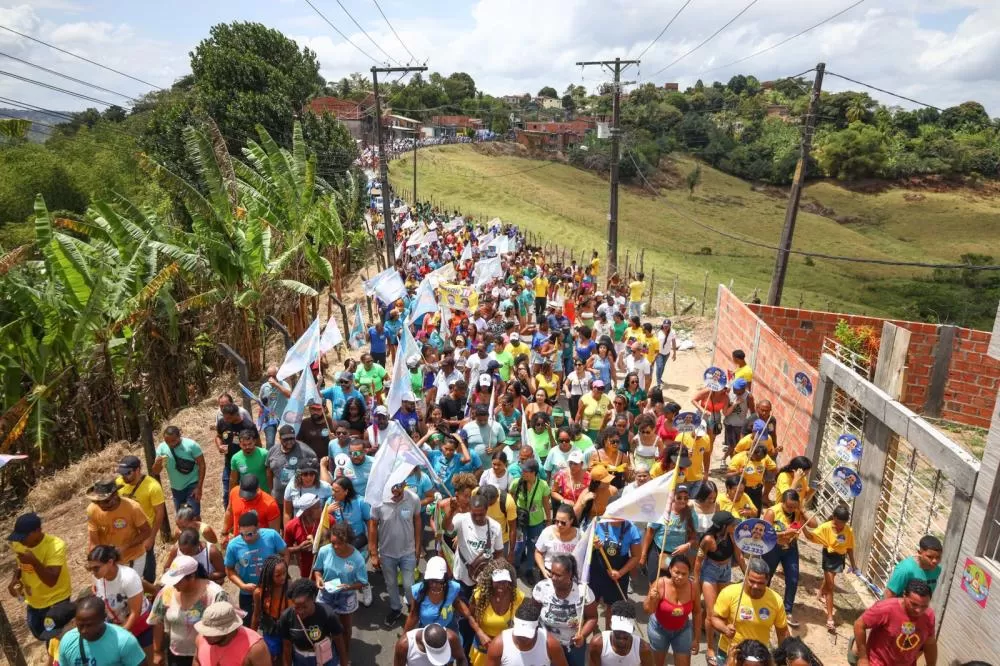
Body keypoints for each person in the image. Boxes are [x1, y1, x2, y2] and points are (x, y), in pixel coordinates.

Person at [149, 555, 230, 666]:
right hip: (176, 655)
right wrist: (157, 651)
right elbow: (158, 621)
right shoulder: (167, 592)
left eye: (178, 581)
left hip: (208, 656)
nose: (174, 584)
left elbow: (225, 629)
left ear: (192, 576)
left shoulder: (215, 594)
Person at [6, 512, 72, 642]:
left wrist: (34, 562)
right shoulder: (18, 544)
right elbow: (20, 564)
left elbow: (51, 581)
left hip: (55, 601)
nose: (20, 541)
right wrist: (15, 579)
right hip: (34, 601)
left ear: (37, 531)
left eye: (24, 537)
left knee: (61, 638)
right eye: (18, 537)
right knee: (40, 634)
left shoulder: (55, 546)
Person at [711, 558, 789, 666]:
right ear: (746, 576)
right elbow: (714, 618)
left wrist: (783, 659)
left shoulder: (776, 601)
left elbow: (782, 633)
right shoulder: (729, 593)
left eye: (760, 583)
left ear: (767, 580)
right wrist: (725, 629)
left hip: (758, 658)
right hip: (730, 654)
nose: (755, 586)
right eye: (752, 581)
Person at [370, 478, 423, 627]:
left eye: (399, 486)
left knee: (408, 584)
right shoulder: (378, 501)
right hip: (386, 553)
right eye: (392, 486)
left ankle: (413, 608)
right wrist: (373, 553)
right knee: (391, 584)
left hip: (408, 552)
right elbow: (373, 525)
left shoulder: (413, 499)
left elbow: (417, 521)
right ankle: (395, 608)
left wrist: (418, 547)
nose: (395, 490)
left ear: (404, 484)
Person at [695, 512, 744, 665]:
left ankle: (722, 641)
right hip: (710, 572)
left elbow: (739, 556)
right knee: (712, 613)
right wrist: (695, 584)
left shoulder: (733, 535)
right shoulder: (708, 540)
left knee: (723, 610)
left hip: (726, 571)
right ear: (724, 527)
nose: (734, 526)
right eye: (732, 524)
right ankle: (710, 648)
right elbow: (698, 562)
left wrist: (748, 575)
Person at [762, 489, 817, 627]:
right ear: (782, 502)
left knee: (793, 579)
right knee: (766, 576)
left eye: (794, 506)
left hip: (791, 548)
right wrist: (784, 533)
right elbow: (765, 534)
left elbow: (814, 524)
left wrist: (802, 510)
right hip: (773, 548)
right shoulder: (772, 512)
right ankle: (762, 602)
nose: (791, 509)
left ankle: (787, 610)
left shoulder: (798, 511)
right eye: (789, 506)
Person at [851, 579, 936, 666]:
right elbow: (859, 624)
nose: (919, 610)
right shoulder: (886, 608)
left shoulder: (929, 616)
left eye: (924, 606)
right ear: (904, 595)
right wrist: (863, 658)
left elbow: (930, 643)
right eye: (914, 604)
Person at [533, 553, 598, 666]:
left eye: (558, 575)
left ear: (570, 575)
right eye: (552, 573)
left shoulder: (583, 592)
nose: (553, 578)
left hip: (574, 647)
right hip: (546, 645)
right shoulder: (542, 588)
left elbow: (592, 617)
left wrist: (582, 635)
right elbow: (533, 614)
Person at [313, 522, 367, 656]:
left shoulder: (357, 559)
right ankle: (324, 654)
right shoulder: (324, 551)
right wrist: (318, 578)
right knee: (322, 625)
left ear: (348, 541)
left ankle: (344, 654)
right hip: (326, 593)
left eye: (340, 543)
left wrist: (349, 587)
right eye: (333, 543)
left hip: (346, 596)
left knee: (345, 628)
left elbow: (362, 582)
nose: (336, 547)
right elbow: (317, 569)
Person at [87, 545, 153, 654]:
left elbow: (135, 613)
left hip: (140, 626)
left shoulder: (128, 578)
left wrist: (119, 636)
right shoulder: (98, 577)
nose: (93, 572)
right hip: (117, 624)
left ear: (110, 562)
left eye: (96, 568)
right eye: (90, 569)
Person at [224, 512, 287, 621]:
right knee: (248, 623)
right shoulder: (233, 545)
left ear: (258, 527)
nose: (246, 538)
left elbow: (285, 553)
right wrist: (243, 585)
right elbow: (229, 570)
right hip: (248, 593)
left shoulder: (272, 536)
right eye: (242, 534)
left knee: (276, 621)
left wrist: (281, 573)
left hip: (272, 590)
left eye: (250, 534)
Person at [115, 455, 167, 584]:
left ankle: (149, 587)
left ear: (138, 470)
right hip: (124, 534)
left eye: (127, 473)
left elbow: (159, 513)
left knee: (147, 568)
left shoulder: (152, 487)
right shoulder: (118, 484)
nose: (124, 477)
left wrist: (151, 537)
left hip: (144, 534)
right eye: (122, 474)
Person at [805, 504, 857, 631]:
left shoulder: (848, 530)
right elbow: (811, 536)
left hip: (839, 558)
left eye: (843, 523)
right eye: (839, 523)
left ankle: (820, 593)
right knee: (831, 586)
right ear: (834, 518)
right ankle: (830, 618)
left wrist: (853, 564)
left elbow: (850, 548)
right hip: (829, 557)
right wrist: (803, 527)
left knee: (830, 580)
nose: (841, 526)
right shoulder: (825, 527)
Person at [86, 479, 152, 577]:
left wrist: (125, 546)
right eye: (97, 502)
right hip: (109, 562)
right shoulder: (92, 510)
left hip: (133, 557)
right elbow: (94, 542)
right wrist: (94, 564)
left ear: (115, 495)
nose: (101, 505)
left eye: (106, 501)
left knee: (131, 584)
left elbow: (146, 532)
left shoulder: (133, 508)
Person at [58, 596, 146, 666]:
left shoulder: (125, 642)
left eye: (89, 625)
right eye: (80, 625)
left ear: (103, 618)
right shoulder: (67, 641)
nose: (84, 630)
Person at [644, 555, 699, 666]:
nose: (680, 577)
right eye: (676, 572)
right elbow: (648, 610)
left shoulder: (693, 588)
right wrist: (651, 599)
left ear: (689, 573)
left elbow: (697, 612)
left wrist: (696, 639)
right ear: (670, 570)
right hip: (659, 630)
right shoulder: (660, 584)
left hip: (683, 630)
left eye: (684, 574)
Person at [278, 578, 348, 666]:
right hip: (300, 661)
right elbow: (287, 647)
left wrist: (344, 663)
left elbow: (339, 643)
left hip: (326, 659)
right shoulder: (286, 617)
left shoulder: (328, 614)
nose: (300, 611)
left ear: (313, 599)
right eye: (297, 607)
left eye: (304, 607)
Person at [467, 559, 524, 666]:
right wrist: (480, 633)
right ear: (491, 580)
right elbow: (470, 616)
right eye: (498, 581)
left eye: (505, 581)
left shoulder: (518, 597)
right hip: (484, 646)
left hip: (507, 648)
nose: (501, 585)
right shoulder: (480, 595)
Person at [590, 516, 642, 629]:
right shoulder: (597, 524)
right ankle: (593, 627)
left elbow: (636, 556)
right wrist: (594, 546)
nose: (616, 517)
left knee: (613, 607)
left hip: (619, 572)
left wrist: (620, 573)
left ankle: (608, 633)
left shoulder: (632, 529)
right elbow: (586, 547)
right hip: (597, 570)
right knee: (592, 603)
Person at [485, 598, 568, 666]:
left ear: (537, 628)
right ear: (513, 625)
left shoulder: (550, 645)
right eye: (519, 633)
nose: (522, 638)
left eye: (527, 635)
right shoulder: (498, 645)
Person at [641, 485, 697, 580]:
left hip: (677, 556)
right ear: (673, 497)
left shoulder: (691, 513)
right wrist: (643, 555)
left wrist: (687, 545)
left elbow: (693, 537)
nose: (683, 501)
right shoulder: (663, 510)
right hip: (658, 550)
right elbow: (650, 532)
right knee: (655, 583)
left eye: (686, 498)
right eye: (679, 497)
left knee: (673, 583)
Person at [404, 556, 471, 633]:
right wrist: (404, 636)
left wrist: (472, 620)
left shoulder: (453, 588)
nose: (433, 585)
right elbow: (413, 615)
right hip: (427, 631)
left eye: (438, 581)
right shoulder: (418, 591)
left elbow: (457, 602)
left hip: (449, 628)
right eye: (431, 580)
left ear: (445, 578)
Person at [192, 600, 271, 666]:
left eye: (212, 632)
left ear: (229, 630)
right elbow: (197, 660)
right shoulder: (201, 638)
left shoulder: (255, 649)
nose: (205, 635)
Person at [510, 459, 551, 581]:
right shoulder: (516, 483)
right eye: (522, 470)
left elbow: (546, 504)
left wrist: (548, 520)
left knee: (533, 546)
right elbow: (511, 499)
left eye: (526, 471)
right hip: (520, 522)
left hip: (536, 522)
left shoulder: (543, 485)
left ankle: (529, 569)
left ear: (534, 473)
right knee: (518, 546)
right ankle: (515, 566)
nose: (523, 473)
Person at [153, 425, 206, 515]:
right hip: (176, 489)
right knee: (182, 517)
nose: (170, 444)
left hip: (192, 485)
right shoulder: (162, 448)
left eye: (173, 441)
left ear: (179, 436)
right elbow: (156, 471)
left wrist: (199, 487)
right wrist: (157, 464)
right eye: (167, 441)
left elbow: (202, 465)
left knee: (192, 516)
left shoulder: (191, 445)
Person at [217, 402, 260, 509]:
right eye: (224, 417)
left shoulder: (248, 426)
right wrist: (219, 446)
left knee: (247, 493)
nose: (225, 420)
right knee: (228, 493)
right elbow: (218, 436)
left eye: (228, 418)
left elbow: (258, 444)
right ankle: (230, 513)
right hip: (229, 464)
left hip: (246, 465)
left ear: (236, 414)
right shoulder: (223, 422)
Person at [268, 424, 320, 510]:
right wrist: (271, 490)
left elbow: (316, 470)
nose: (289, 441)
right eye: (286, 439)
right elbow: (269, 471)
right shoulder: (273, 451)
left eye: (292, 438)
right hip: (278, 498)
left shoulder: (306, 451)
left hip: (299, 499)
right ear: (280, 439)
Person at [587, 600, 654, 666]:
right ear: (610, 625)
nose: (621, 637)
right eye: (618, 631)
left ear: (633, 629)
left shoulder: (644, 650)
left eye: (626, 632)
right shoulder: (597, 644)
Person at [251, 555, 289, 662]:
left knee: (287, 655)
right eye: (278, 575)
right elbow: (256, 614)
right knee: (272, 657)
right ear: (269, 575)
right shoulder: (260, 592)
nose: (283, 577)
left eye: (285, 573)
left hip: (288, 628)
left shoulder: (290, 589)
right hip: (271, 630)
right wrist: (252, 636)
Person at [726, 444, 774, 515]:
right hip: (742, 490)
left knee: (756, 512)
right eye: (758, 458)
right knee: (739, 511)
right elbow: (727, 475)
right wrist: (738, 472)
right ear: (752, 452)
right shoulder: (739, 458)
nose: (760, 460)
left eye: (761, 459)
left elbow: (773, 468)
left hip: (757, 489)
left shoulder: (764, 457)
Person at [535, 505, 581, 577]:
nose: (559, 525)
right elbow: (538, 553)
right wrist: (543, 570)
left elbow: (587, 552)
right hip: (550, 574)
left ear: (571, 521)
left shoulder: (580, 535)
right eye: (556, 521)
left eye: (563, 522)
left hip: (570, 576)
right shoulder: (547, 532)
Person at [393, 622, 467, 666]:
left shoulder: (451, 638)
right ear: (423, 642)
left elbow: (461, 658)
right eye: (435, 654)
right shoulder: (404, 645)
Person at [476, 484, 518, 561]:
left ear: (497, 497)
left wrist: (511, 552)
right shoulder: (476, 493)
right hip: (481, 540)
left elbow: (513, 529)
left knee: (499, 565)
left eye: (490, 504)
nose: (487, 506)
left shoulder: (507, 502)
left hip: (501, 542)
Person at [284, 494, 323, 575]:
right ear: (306, 511)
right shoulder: (292, 526)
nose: (321, 509)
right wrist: (299, 548)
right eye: (317, 508)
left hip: (325, 570)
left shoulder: (328, 521)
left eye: (320, 506)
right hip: (305, 572)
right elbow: (284, 550)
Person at [229, 429, 270, 499]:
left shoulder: (264, 454)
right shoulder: (235, 458)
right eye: (244, 445)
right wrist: (232, 498)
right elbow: (233, 480)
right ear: (239, 444)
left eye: (250, 444)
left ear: (254, 441)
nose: (247, 447)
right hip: (246, 496)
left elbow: (270, 475)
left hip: (264, 495)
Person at [259, 365, 292, 449]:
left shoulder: (284, 384)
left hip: (283, 417)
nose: (271, 378)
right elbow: (261, 403)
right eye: (269, 376)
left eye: (273, 376)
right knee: (270, 443)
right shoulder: (264, 387)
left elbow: (289, 395)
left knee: (286, 441)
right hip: (270, 417)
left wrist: (276, 384)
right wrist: (260, 420)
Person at [39, 599, 76, 665]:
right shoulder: (54, 640)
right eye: (52, 634)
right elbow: (50, 662)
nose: (54, 637)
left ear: (73, 623)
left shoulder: (84, 645)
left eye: (58, 632)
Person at [653, 320, 678, 388]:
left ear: (670, 326)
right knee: (659, 367)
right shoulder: (658, 332)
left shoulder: (672, 332)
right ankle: (658, 382)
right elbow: (654, 342)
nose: (666, 327)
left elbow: (673, 342)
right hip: (659, 352)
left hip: (667, 353)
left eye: (667, 326)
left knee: (662, 367)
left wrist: (674, 353)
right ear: (663, 325)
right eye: (665, 325)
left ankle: (659, 378)